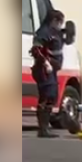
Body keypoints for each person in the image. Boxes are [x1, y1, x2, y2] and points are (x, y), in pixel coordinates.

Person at [29, 9, 67, 138]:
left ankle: (45, 127)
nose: (60, 24)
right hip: (44, 69)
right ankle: (43, 129)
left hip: (53, 69)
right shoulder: (43, 32)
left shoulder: (55, 33)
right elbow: (36, 50)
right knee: (47, 96)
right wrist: (46, 63)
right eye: (59, 21)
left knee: (52, 96)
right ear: (53, 20)